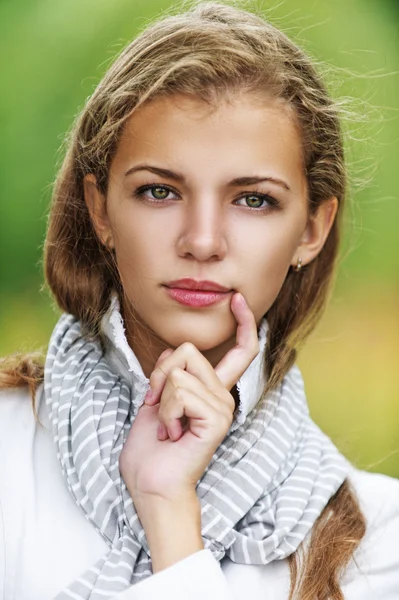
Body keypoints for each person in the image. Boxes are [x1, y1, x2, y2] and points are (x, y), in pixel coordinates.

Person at [0, 1, 398, 599]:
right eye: (159, 191)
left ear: (311, 230)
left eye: (254, 199)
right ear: (101, 209)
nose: (203, 241)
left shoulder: (378, 539)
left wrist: (168, 512)